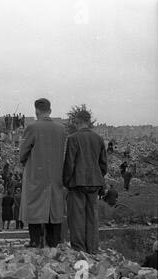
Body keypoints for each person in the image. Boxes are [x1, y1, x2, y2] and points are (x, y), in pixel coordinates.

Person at [19, 98, 67, 248]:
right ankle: (53, 242)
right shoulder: (61, 129)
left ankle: (35, 241)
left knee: (34, 206)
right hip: (56, 175)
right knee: (54, 207)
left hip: (36, 175)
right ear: (50, 111)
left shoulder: (32, 128)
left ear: (36, 111)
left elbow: (22, 153)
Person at [63, 110, 107, 254]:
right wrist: (98, 177)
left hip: (77, 183)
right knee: (92, 216)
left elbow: (70, 163)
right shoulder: (99, 139)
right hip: (94, 182)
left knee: (77, 217)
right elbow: (103, 165)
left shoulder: (73, 138)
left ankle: (79, 249)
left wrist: (66, 182)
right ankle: (92, 248)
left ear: (77, 122)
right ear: (89, 121)